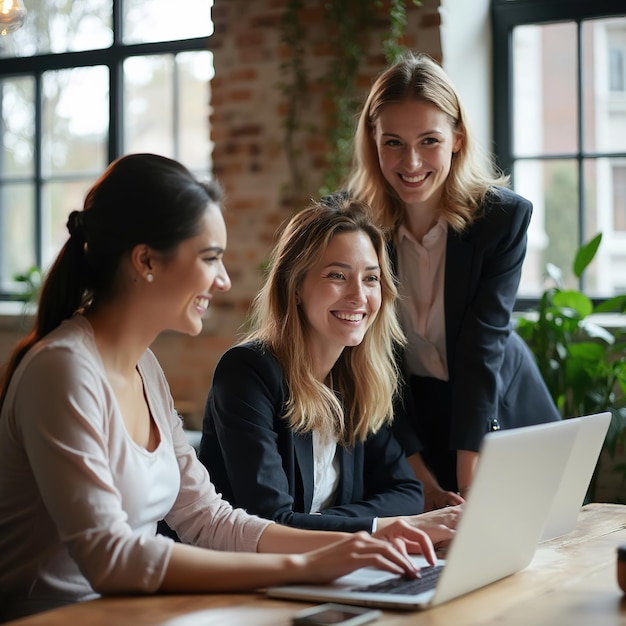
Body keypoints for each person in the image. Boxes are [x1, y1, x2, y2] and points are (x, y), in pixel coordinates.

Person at [0, 154, 438, 623]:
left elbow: (209, 518)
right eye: (210, 259)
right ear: (146, 261)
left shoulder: (144, 367)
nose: (225, 280)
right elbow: (111, 557)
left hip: (140, 612)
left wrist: (356, 544)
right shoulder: (63, 370)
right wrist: (305, 563)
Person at [340, 51, 561, 510]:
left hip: (496, 409)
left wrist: (468, 482)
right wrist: (419, 479)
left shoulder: (501, 219)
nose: (412, 162)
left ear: (457, 138)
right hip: (405, 416)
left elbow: (482, 348)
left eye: (429, 140)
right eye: (394, 143)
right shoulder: (352, 224)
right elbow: (368, 359)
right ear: (372, 141)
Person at [199, 198, 459, 540]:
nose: (358, 295)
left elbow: (407, 491)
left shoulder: (357, 378)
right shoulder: (249, 372)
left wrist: (323, 522)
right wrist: (383, 526)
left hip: (330, 571)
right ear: (295, 287)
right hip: (236, 580)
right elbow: (269, 524)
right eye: (337, 275)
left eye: (370, 278)